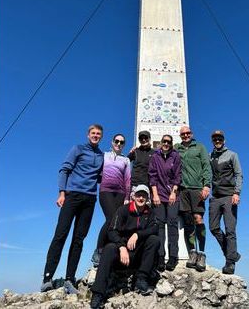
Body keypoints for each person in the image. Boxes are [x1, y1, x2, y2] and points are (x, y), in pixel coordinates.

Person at [41, 124, 105, 293]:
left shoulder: (101, 155)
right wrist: (62, 192)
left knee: (79, 239)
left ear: (101, 137)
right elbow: (64, 169)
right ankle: (47, 278)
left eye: (98, 134)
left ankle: (70, 279)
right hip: (72, 196)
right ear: (88, 135)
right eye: (93, 133)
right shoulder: (78, 148)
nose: (96, 136)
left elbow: (100, 176)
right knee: (60, 235)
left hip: (90, 199)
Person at [90, 184, 160, 309]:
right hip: (122, 254)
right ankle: (98, 294)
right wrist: (121, 246)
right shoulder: (123, 210)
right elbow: (112, 231)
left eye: (144, 196)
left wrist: (137, 234)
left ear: (147, 198)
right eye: (138, 195)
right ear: (133, 196)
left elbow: (155, 228)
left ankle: (141, 279)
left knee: (154, 240)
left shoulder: (150, 213)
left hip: (139, 255)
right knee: (109, 248)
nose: (140, 198)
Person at [91, 134, 131, 266]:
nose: (119, 144)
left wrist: (127, 196)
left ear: (124, 144)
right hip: (106, 191)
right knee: (111, 219)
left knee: (117, 222)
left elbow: (128, 180)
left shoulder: (125, 160)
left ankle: (109, 250)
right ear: (112, 142)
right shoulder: (104, 156)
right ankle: (99, 250)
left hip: (120, 193)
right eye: (117, 141)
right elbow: (95, 171)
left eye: (122, 142)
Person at [174, 126, 211, 272]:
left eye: (188, 133)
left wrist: (206, 185)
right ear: (180, 135)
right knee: (188, 222)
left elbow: (206, 166)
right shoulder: (177, 148)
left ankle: (201, 254)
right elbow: (163, 151)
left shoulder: (200, 147)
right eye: (183, 134)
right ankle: (192, 253)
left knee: (198, 219)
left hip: (197, 189)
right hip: (183, 190)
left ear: (192, 134)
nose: (185, 135)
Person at [208, 129, 243, 275]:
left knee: (230, 230)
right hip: (215, 197)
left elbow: (239, 174)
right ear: (212, 141)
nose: (217, 141)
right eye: (215, 139)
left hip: (229, 196)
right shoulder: (210, 157)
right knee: (213, 228)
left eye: (220, 139)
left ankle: (230, 262)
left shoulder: (232, 155)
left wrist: (236, 192)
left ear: (224, 140)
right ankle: (231, 253)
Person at [148, 134, 182, 271]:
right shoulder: (155, 156)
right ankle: (160, 257)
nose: (166, 144)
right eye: (164, 141)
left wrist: (174, 192)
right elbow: (152, 176)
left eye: (169, 142)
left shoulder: (176, 156)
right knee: (159, 226)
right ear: (161, 143)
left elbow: (178, 175)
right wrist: (154, 195)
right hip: (159, 195)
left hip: (172, 195)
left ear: (171, 143)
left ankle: (173, 257)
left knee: (173, 224)